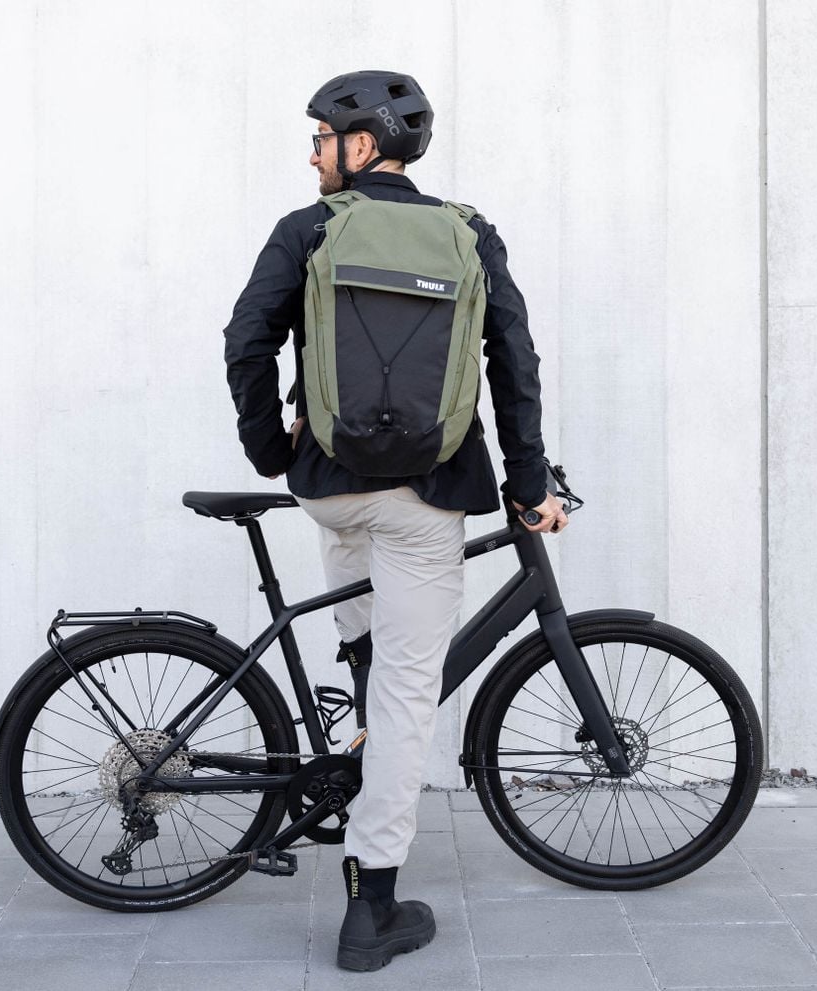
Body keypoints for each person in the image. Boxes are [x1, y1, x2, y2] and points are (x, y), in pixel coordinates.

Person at [223, 70, 568, 971]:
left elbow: (245, 338)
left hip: (332, 486)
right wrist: (530, 481)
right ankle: (371, 905)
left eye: (319, 139)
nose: (311, 155)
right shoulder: (468, 234)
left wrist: (273, 452)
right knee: (410, 695)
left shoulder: (307, 231)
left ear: (363, 144)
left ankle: (354, 741)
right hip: (429, 493)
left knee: (375, 663)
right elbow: (513, 363)